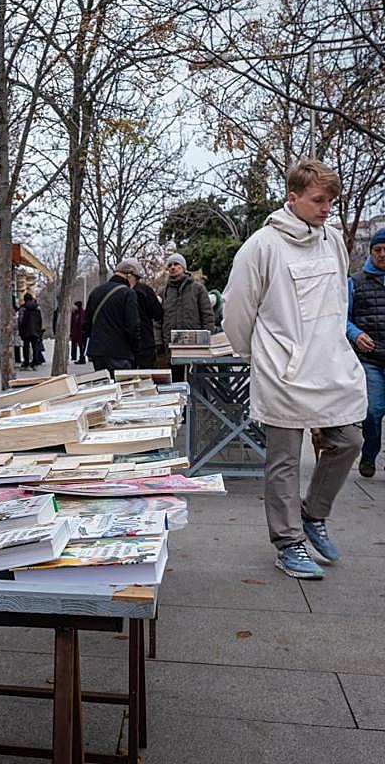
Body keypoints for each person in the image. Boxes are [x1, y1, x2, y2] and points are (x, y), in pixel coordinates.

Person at [224, 159, 365, 580]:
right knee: (284, 460)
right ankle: (288, 543)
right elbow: (237, 310)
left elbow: (338, 300)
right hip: (282, 368)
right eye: (319, 200)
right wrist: (257, 354)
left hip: (329, 365)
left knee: (349, 441)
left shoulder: (332, 241)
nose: (326, 208)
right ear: (293, 198)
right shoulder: (262, 246)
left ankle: (312, 514)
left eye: (330, 201)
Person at [346, 227, 385, 479]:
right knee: (372, 411)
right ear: (370, 252)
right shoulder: (355, 282)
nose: (382, 254)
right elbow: (342, 318)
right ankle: (369, 454)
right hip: (370, 360)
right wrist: (356, 334)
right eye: (377, 250)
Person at [159, 252, 213, 382]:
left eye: (176, 264)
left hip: (195, 346)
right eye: (170, 265)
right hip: (171, 346)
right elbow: (158, 319)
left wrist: (206, 338)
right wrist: (159, 343)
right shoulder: (164, 292)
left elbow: (207, 315)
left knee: (197, 382)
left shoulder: (198, 289)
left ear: (183, 267)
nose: (173, 267)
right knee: (176, 384)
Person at [82, 259, 142, 376]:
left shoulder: (96, 292)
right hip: (120, 353)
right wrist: (136, 350)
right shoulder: (128, 293)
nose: (136, 283)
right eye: (137, 278)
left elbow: (86, 325)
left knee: (104, 385)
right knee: (123, 386)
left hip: (97, 352)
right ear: (129, 275)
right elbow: (133, 326)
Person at [132, 271, 163, 370]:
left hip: (124, 345)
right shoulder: (145, 291)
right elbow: (158, 314)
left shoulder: (118, 291)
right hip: (145, 340)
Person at [18, 293, 43, 369]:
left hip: (25, 330)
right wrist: (39, 329)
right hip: (35, 329)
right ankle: (35, 362)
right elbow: (40, 320)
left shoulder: (23, 308)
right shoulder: (37, 308)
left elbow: (20, 320)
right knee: (35, 347)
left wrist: (20, 329)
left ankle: (26, 362)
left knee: (26, 346)